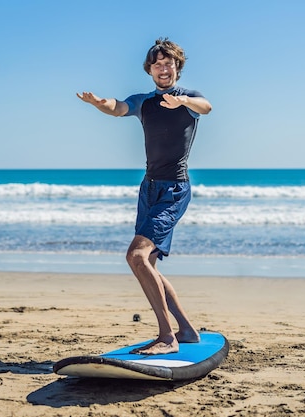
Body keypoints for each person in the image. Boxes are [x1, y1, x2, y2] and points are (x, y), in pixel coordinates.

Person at [77, 38, 212, 355]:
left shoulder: (189, 98)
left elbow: (207, 107)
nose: (163, 69)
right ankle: (187, 330)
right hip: (149, 188)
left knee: (136, 257)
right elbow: (119, 107)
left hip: (174, 189)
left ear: (177, 67)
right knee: (147, 263)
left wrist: (184, 103)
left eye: (169, 63)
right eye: (157, 64)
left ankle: (167, 337)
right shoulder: (144, 102)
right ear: (150, 70)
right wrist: (100, 103)